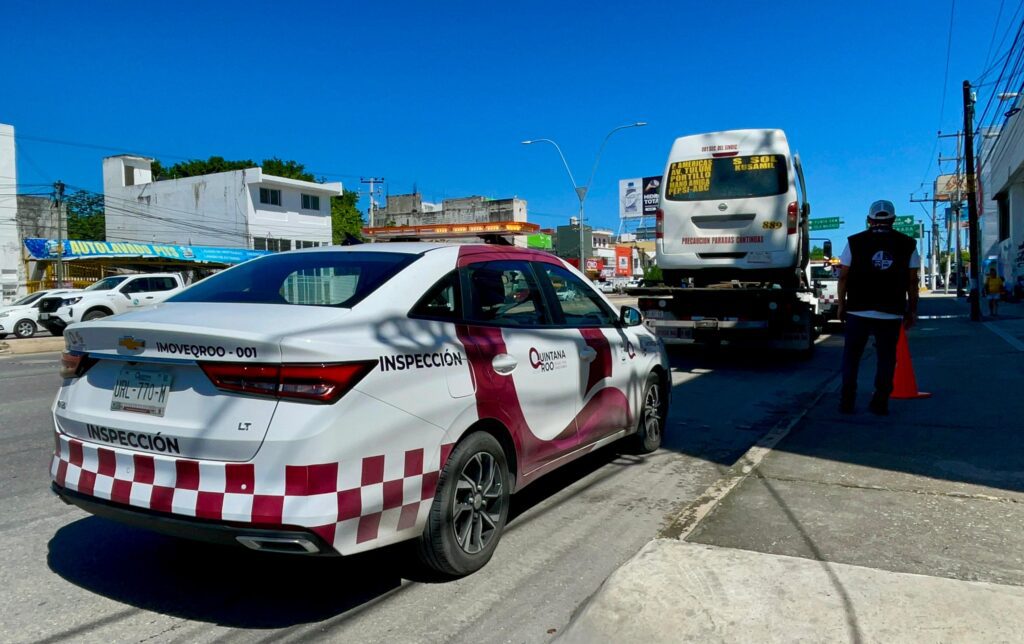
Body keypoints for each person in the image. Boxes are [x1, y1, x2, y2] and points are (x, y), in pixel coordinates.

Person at [836, 200, 920, 415]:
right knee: (886, 358)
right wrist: (912, 309)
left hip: (857, 309)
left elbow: (843, 276)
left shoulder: (854, 242)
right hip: (891, 311)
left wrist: (841, 304)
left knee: (851, 357)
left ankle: (847, 401)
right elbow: (912, 281)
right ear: (893, 219)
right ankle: (880, 401)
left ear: (869, 220)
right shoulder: (908, 244)